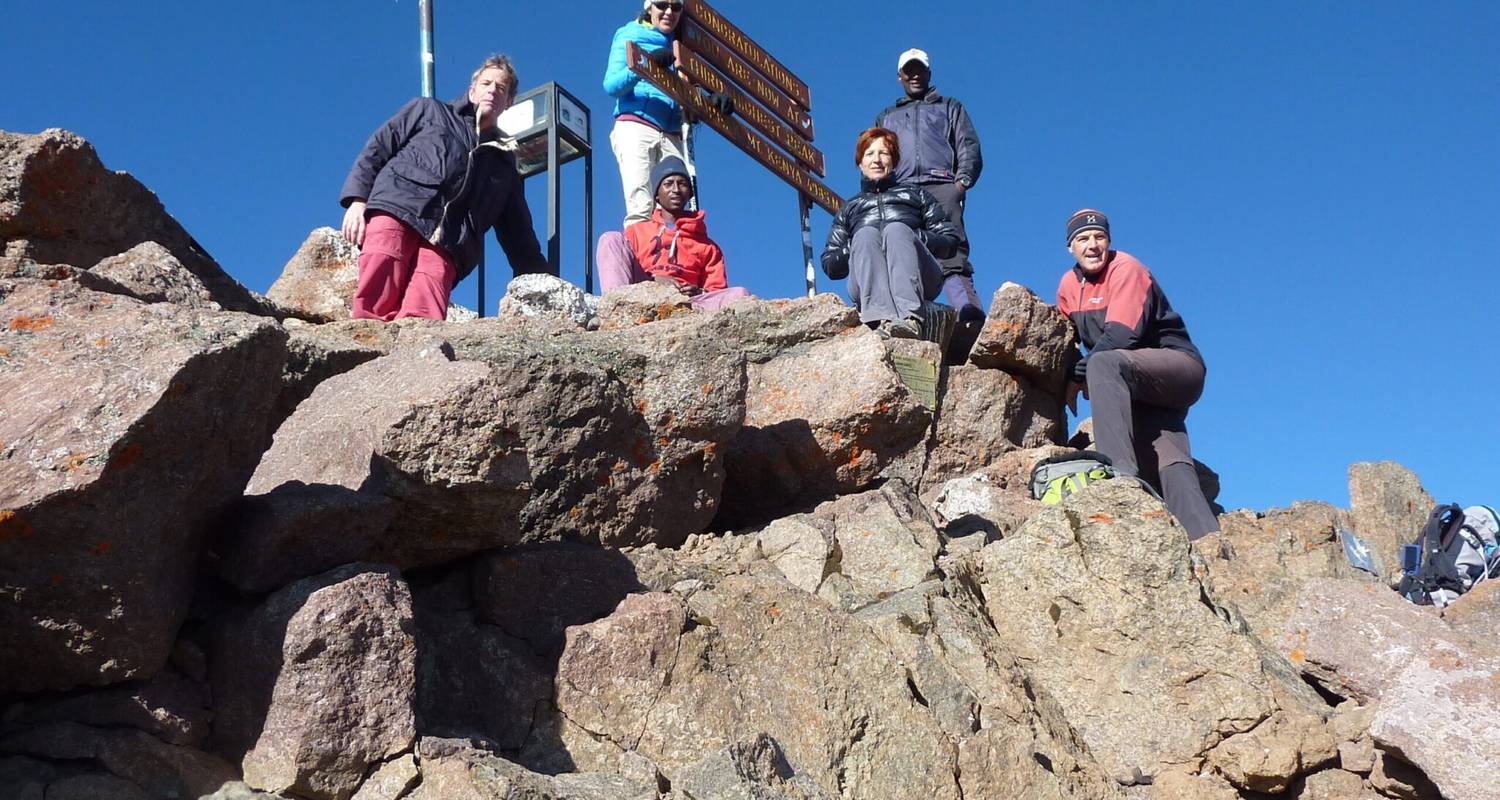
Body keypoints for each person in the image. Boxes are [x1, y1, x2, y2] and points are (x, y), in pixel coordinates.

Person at [339, 54, 549, 321]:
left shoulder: (505, 164)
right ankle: (365, 354)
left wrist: (545, 284)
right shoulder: (427, 111)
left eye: (501, 88)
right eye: (486, 83)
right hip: (397, 210)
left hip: (451, 242)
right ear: (472, 90)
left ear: (509, 102)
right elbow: (377, 149)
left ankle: (413, 362)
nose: (492, 91)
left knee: (425, 318)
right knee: (374, 298)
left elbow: (519, 232)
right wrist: (357, 200)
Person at [1055, 209, 1220, 539]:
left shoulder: (1127, 268)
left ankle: (1121, 477)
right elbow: (1063, 340)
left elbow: (1121, 335)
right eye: (1083, 239)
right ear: (1070, 247)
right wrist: (1067, 374)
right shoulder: (1068, 286)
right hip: (1137, 386)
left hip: (1176, 367)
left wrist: (1079, 376)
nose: (1092, 245)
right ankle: (1209, 546)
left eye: (1099, 237)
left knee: (1103, 363)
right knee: (1170, 462)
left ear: (1109, 241)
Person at [874, 48, 986, 349]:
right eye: (908, 70)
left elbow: (968, 146)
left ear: (928, 73)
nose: (914, 75)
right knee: (902, 252)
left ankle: (966, 312)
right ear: (899, 77)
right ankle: (912, 318)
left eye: (919, 69)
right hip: (902, 190)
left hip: (942, 185)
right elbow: (877, 154)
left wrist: (961, 183)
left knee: (951, 250)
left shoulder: (950, 107)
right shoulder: (887, 117)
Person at [821, 128, 959, 338]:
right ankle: (878, 321)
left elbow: (950, 241)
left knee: (896, 229)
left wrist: (915, 236)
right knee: (866, 234)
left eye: (883, 153)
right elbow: (830, 265)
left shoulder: (916, 195)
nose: (876, 160)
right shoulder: (849, 209)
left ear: (893, 161)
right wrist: (856, 243)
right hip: (866, 284)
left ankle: (910, 320)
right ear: (860, 163)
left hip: (921, 279)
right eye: (869, 154)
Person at [596, 156, 750, 312]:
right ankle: (614, 309)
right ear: (657, 194)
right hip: (641, 295)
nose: (676, 189)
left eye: (682, 184)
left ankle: (682, 314)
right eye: (668, 184)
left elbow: (716, 290)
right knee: (611, 239)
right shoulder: (636, 232)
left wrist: (698, 291)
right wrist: (653, 280)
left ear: (689, 193)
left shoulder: (708, 247)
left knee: (739, 295)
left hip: (688, 303)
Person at [603, 0, 688, 227]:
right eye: (662, 5)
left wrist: (711, 100)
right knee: (641, 207)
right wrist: (646, 65)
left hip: (672, 134)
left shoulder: (685, 43)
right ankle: (643, 261)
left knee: (676, 212)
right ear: (649, 7)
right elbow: (612, 85)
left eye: (676, 7)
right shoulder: (629, 33)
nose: (669, 12)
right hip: (636, 125)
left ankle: (672, 262)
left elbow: (690, 87)